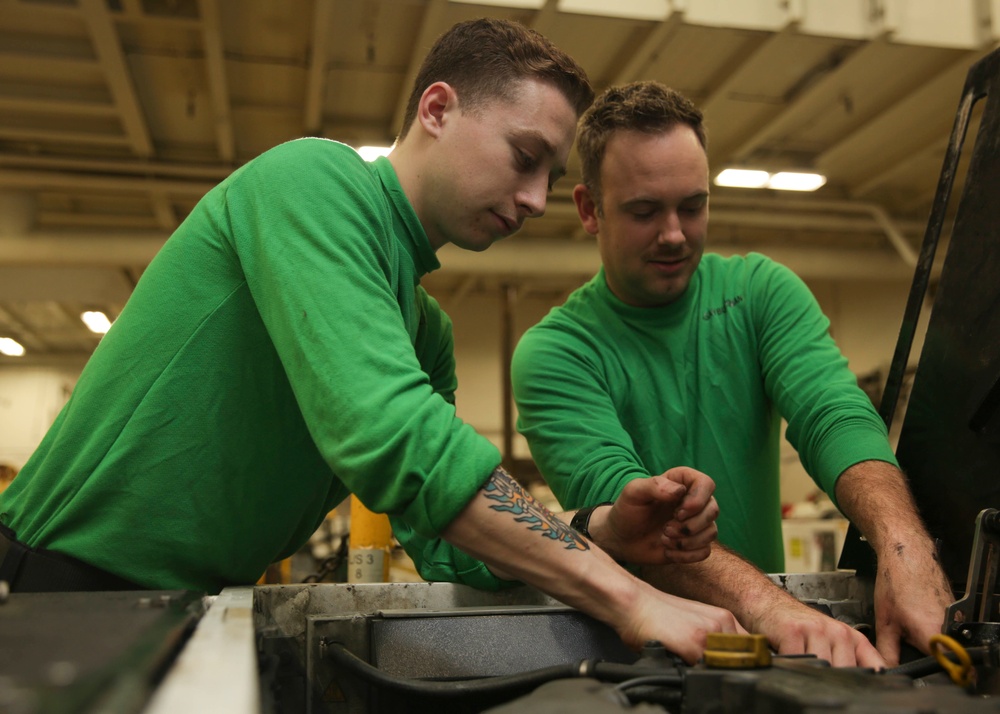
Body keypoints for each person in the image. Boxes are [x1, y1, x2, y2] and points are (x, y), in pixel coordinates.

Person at [0, 19, 740, 664]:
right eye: (524, 157)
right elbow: (395, 437)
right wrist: (630, 600)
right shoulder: (312, 181)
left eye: (550, 175)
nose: (536, 200)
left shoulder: (425, 333)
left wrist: (600, 528)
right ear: (438, 108)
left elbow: (448, 542)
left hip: (182, 613)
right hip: (55, 591)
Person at [511, 81, 954, 668]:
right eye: (644, 211)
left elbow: (832, 415)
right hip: (642, 656)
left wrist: (903, 548)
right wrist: (771, 609)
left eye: (692, 206)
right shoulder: (556, 353)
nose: (674, 234)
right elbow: (631, 519)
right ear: (590, 209)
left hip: (780, 647)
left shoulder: (760, 293)